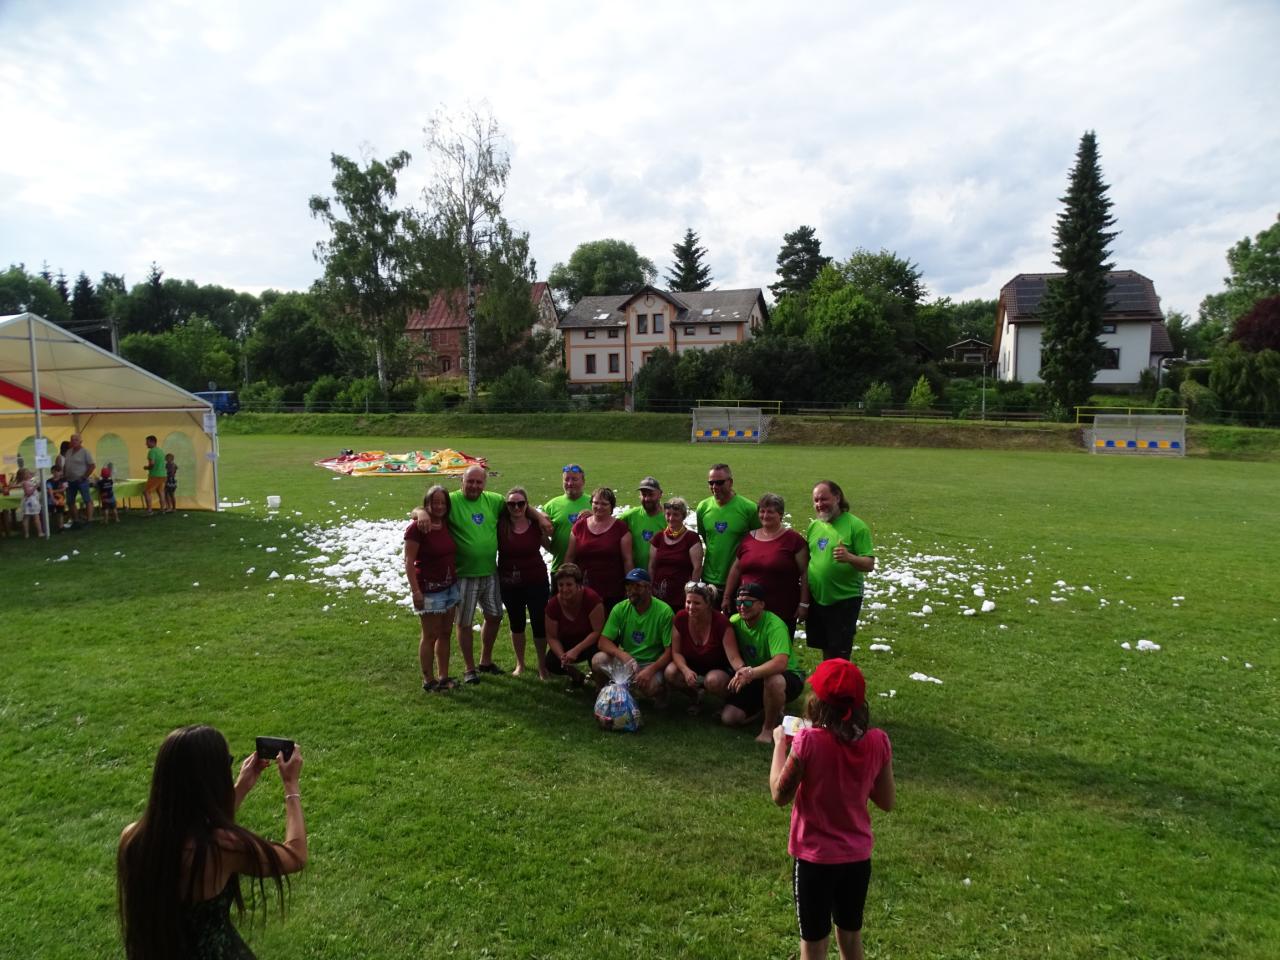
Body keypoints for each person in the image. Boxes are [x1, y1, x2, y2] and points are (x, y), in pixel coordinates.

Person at [117, 724, 307, 960]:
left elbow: (195, 824)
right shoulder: (221, 848)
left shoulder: (132, 839)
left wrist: (242, 786)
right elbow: (296, 855)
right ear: (211, 780)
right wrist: (291, 785)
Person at [769, 659, 895, 960]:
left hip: (815, 860)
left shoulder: (808, 742)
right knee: (850, 937)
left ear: (818, 701)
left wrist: (779, 745)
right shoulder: (878, 741)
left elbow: (779, 795)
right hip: (857, 859)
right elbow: (886, 800)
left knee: (814, 945)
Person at [412, 465, 552, 683]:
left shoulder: (493, 500)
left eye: (479, 482)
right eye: (470, 481)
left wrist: (540, 517)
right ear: (462, 480)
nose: (474, 486)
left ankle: (485, 661)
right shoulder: (452, 501)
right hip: (464, 575)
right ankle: (469, 669)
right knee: (464, 623)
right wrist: (420, 512)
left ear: (484, 483)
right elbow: (427, 508)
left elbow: (518, 504)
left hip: (490, 573)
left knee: (495, 616)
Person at [717, 582, 805, 743]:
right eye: (738, 602)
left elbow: (780, 663)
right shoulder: (734, 621)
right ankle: (767, 707)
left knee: (774, 680)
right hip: (755, 675)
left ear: (761, 605)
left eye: (748, 602)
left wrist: (750, 673)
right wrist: (743, 671)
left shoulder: (775, 626)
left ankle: (768, 728)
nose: (742, 606)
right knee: (729, 718)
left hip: (786, 675)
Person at [803, 480, 876, 662]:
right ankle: (829, 678)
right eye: (816, 500)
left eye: (824, 499)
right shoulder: (814, 526)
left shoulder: (856, 526)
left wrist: (850, 557)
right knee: (826, 647)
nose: (820, 504)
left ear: (837, 497)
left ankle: (840, 679)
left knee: (840, 652)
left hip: (844, 600)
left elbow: (869, 564)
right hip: (818, 597)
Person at [723, 493, 810, 633]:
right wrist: (727, 597)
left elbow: (805, 572)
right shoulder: (749, 538)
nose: (765, 515)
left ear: (780, 514)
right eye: (762, 511)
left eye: (770, 512)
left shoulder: (794, 540)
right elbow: (736, 569)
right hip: (748, 609)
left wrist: (804, 603)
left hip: (781, 610)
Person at [405, 484, 459, 692]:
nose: (439, 507)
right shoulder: (417, 527)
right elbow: (409, 561)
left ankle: (443, 676)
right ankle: (428, 679)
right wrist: (416, 591)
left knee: (445, 633)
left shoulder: (445, 523)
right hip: (429, 590)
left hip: (450, 587)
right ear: (426, 504)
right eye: (434, 503)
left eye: (443, 503)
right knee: (430, 635)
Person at [592, 568, 673, 701]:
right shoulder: (620, 608)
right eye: (628, 586)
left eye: (637, 586)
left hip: (652, 663)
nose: (631, 590)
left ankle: (662, 692)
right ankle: (603, 693)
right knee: (598, 660)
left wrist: (650, 670)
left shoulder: (664, 612)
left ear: (649, 588)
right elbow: (603, 641)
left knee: (650, 687)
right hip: (628, 661)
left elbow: (669, 652)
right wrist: (622, 655)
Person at [497, 485, 552, 679]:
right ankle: (520, 663)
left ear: (527, 505)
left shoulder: (535, 524)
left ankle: (542, 665)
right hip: (510, 583)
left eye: (521, 504)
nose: (516, 508)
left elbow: (550, 545)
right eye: (512, 504)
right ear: (506, 506)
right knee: (516, 623)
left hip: (536, 581)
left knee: (539, 622)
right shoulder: (500, 525)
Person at [664, 580, 733, 714]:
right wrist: (686, 671)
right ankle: (695, 695)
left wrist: (743, 671)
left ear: (708, 604)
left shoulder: (722, 622)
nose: (691, 607)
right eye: (688, 602)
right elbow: (676, 652)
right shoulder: (680, 617)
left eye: (697, 603)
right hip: (691, 664)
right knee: (670, 672)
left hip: (718, 668)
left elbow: (733, 658)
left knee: (713, 680)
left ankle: (729, 701)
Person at [564, 486, 632, 611]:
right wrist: (565, 583)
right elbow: (570, 557)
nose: (599, 507)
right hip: (584, 589)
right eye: (595, 503)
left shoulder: (620, 528)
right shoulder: (579, 526)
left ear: (611, 507)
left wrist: (630, 587)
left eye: (604, 504)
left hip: (612, 591)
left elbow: (627, 560)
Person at [696, 463, 759, 593]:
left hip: (738, 580)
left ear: (730, 482)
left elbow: (758, 542)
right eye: (711, 483)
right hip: (708, 579)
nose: (714, 487)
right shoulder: (703, 507)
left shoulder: (749, 509)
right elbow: (706, 537)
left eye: (719, 482)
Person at [543, 563, 605, 688]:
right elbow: (551, 637)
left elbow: (598, 631)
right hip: (568, 642)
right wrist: (562, 656)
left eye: (569, 584)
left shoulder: (591, 599)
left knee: (597, 655)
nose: (564, 589)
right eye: (561, 585)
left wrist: (576, 650)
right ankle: (577, 676)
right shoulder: (553, 605)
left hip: (591, 642)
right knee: (551, 662)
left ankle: (601, 685)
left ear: (578, 584)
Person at [647, 496, 704, 609]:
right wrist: (649, 590)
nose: (671, 518)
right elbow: (651, 567)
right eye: (668, 514)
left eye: (676, 515)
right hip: (659, 595)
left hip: (681, 596)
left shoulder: (692, 538)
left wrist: (691, 594)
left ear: (683, 516)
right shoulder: (658, 538)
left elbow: (697, 568)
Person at [540, 463, 591, 571]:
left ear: (583, 481)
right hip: (559, 570)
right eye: (566, 479)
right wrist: (553, 549)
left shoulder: (594, 504)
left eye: (574, 479)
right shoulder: (551, 506)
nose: (570, 483)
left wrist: (594, 517)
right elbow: (540, 533)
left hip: (588, 570)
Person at [620, 476, 667, 571]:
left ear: (660, 494)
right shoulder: (629, 516)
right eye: (643, 495)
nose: (647, 499)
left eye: (651, 495)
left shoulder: (669, 519)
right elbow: (609, 525)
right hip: (635, 575)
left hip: (659, 573)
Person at [62, 432, 95, 524]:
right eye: (72, 440)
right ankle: (76, 520)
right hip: (69, 480)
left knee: (87, 500)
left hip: (81, 480)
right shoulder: (68, 452)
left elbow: (92, 466)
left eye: (76, 440)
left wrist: (84, 476)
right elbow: (65, 465)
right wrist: (64, 475)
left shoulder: (85, 452)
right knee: (70, 501)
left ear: (81, 441)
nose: (74, 441)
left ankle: (89, 520)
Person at [143, 435, 165, 515]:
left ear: (152, 442)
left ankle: (149, 511)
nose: (146, 444)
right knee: (160, 491)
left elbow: (152, 464)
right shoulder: (161, 451)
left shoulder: (151, 451)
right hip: (163, 475)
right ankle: (162, 509)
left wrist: (147, 467)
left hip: (155, 475)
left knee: (146, 492)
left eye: (147, 442)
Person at [19, 468, 43, 538]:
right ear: (24, 475)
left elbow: (34, 474)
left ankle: (27, 534)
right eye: (28, 473)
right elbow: (28, 493)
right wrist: (35, 487)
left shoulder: (29, 481)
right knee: (35, 517)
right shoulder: (25, 483)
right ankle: (39, 532)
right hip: (31, 502)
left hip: (31, 501)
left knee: (27, 517)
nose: (30, 474)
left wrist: (37, 471)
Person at [46, 465, 69, 531]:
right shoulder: (49, 481)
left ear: (61, 472)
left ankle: (61, 526)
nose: (56, 473)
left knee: (60, 512)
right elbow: (49, 490)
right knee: (50, 513)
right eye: (54, 472)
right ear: (52, 472)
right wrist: (52, 499)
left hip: (60, 500)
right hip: (51, 500)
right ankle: (49, 527)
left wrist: (53, 491)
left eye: (57, 471)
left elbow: (64, 489)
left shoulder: (63, 480)